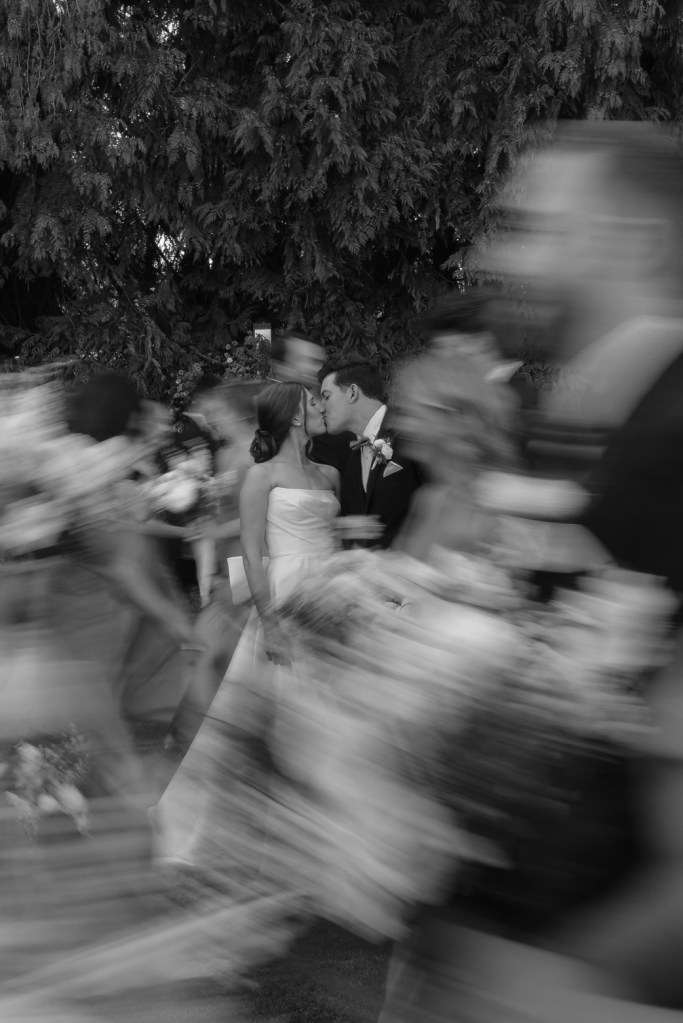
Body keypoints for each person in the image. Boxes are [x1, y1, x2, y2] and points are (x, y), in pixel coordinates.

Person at [407, 120, 683, 1021]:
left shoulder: (670, 437)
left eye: (535, 230)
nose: (498, 256)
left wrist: (552, 991)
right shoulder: (573, 423)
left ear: (633, 242)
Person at [157, 380, 340, 871]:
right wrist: (270, 623)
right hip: (282, 597)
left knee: (324, 717)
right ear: (296, 415)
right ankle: (248, 832)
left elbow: (334, 544)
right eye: (315, 402)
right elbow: (255, 555)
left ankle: (316, 838)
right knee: (267, 718)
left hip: (324, 598)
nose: (322, 407)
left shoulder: (329, 474)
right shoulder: (262, 475)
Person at [319, 356, 422, 549]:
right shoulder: (352, 461)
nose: (321, 407)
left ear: (352, 393)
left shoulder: (410, 431)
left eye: (326, 396)